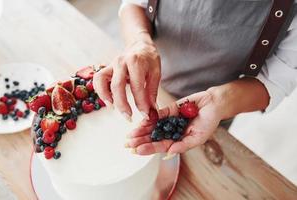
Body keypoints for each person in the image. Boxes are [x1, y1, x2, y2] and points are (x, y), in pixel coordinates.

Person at [93, 0, 297, 158]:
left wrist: (218, 102)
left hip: (213, 113)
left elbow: (276, 80)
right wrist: (138, 42)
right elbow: (134, 4)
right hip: (142, 85)